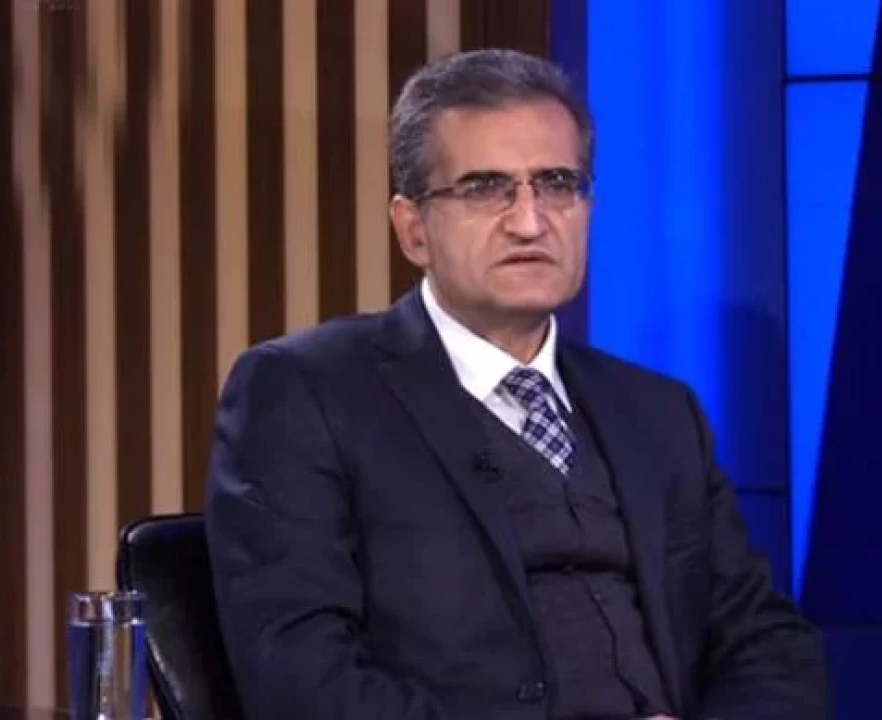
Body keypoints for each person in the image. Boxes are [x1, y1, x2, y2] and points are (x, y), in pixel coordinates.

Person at [205, 48, 830, 720]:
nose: (530, 221)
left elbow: (767, 642)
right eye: (484, 188)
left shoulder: (657, 411)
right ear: (413, 230)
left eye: (557, 183)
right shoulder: (306, 392)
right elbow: (300, 677)